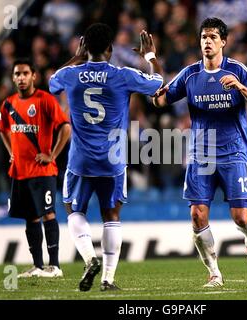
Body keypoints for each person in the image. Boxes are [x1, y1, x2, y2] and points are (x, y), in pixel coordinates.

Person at [153, 17, 247, 287]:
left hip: (234, 153)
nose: (207, 41)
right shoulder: (190, 74)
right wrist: (152, 63)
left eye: (213, 37)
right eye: (204, 37)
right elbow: (159, 100)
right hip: (200, 157)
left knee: (240, 217)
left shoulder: (238, 70)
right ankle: (214, 273)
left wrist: (240, 87)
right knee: (197, 214)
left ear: (223, 42)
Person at [49, 23, 163, 291]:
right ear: (110, 49)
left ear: (84, 47)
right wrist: (149, 57)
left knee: (74, 210)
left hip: (80, 159)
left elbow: (51, 81)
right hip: (113, 159)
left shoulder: (70, 74)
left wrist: (77, 57)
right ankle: (108, 279)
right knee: (111, 215)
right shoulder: (122, 75)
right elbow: (158, 84)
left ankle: (90, 259)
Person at [0, 59, 71, 278]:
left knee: (48, 214)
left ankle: (55, 266)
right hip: (20, 172)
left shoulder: (45, 100)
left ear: (33, 76)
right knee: (30, 218)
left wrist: (52, 155)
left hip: (42, 171)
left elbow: (65, 128)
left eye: (25, 73)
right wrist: (11, 151)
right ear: (13, 77)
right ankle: (38, 266)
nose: (21, 78)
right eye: (17, 74)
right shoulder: (8, 104)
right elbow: (3, 129)